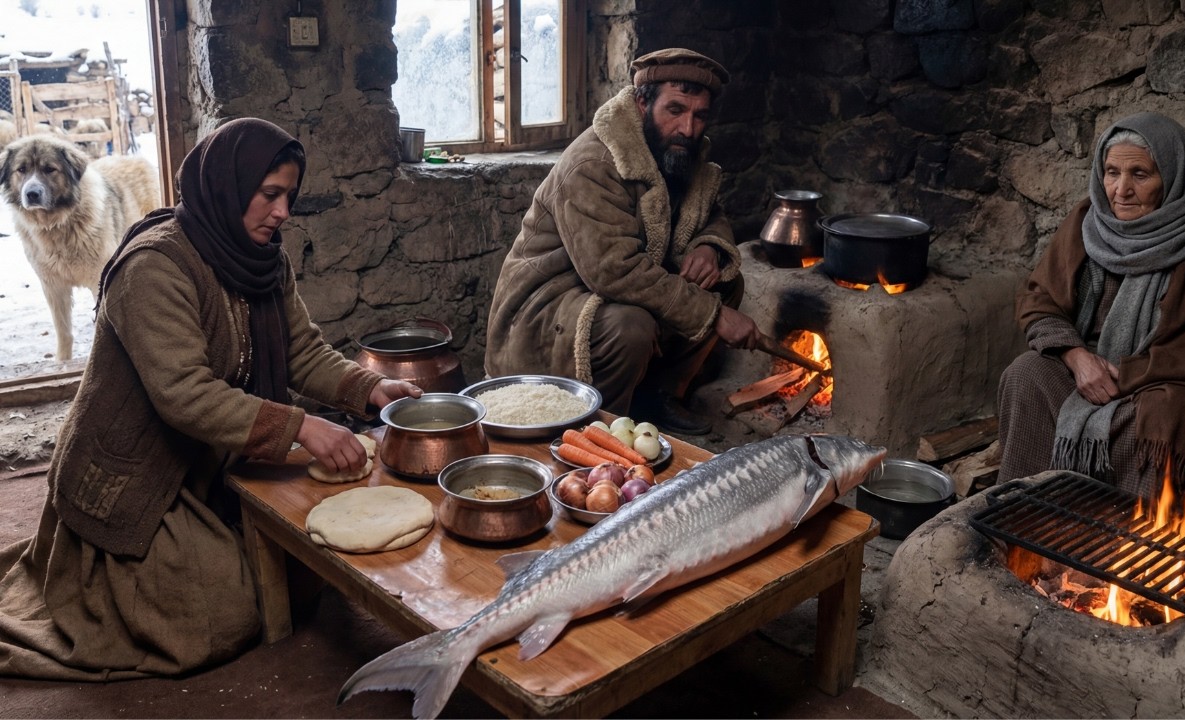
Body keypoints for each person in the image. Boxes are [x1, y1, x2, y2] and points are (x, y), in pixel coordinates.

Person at [0, 118, 421, 680]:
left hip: (214, 456)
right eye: (269, 194)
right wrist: (302, 427)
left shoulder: (262, 256)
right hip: (141, 476)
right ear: (228, 185)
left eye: (289, 197)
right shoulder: (154, 267)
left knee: (302, 567)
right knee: (225, 613)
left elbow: (300, 349)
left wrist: (368, 387)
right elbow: (184, 393)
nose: (282, 212)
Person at [997, 111, 1185, 537]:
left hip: (1165, 387)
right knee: (1027, 374)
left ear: (1172, 176)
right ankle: (1030, 521)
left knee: (1169, 416)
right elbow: (1039, 300)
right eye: (1112, 172)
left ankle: (1133, 547)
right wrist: (1077, 358)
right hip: (1092, 373)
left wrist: (1126, 375)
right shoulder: (1089, 222)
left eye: (1140, 174)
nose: (1121, 190)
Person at [484, 48, 761, 435]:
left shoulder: (677, 150)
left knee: (724, 283)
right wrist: (712, 315)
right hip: (548, 307)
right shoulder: (593, 163)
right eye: (675, 110)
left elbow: (709, 210)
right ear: (642, 103)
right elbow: (615, 271)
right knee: (632, 326)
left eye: (700, 115)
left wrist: (710, 246)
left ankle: (658, 398)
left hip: (614, 289)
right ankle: (602, 428)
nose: (688, 128)